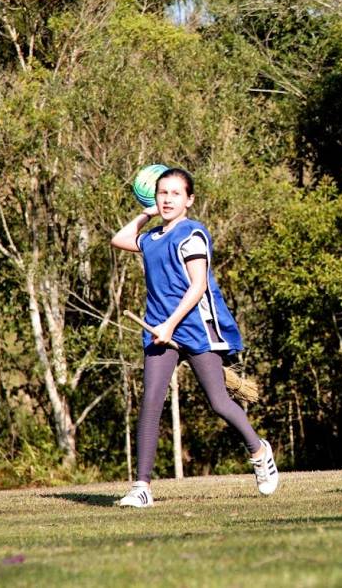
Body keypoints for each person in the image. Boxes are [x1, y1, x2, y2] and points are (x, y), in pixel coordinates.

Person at [110, 167, 279, 507]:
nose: (167, 199)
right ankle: (142, 487)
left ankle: (259, 451)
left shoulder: (192, 234)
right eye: (162, 193)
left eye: (175, 193)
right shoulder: (152, 238)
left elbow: (198, 285)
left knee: (219, 402)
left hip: (194, 328)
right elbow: (119, 238)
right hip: (158, 329)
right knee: (151, 404)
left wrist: (171, 325)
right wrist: (145, 213)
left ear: (189, 200)